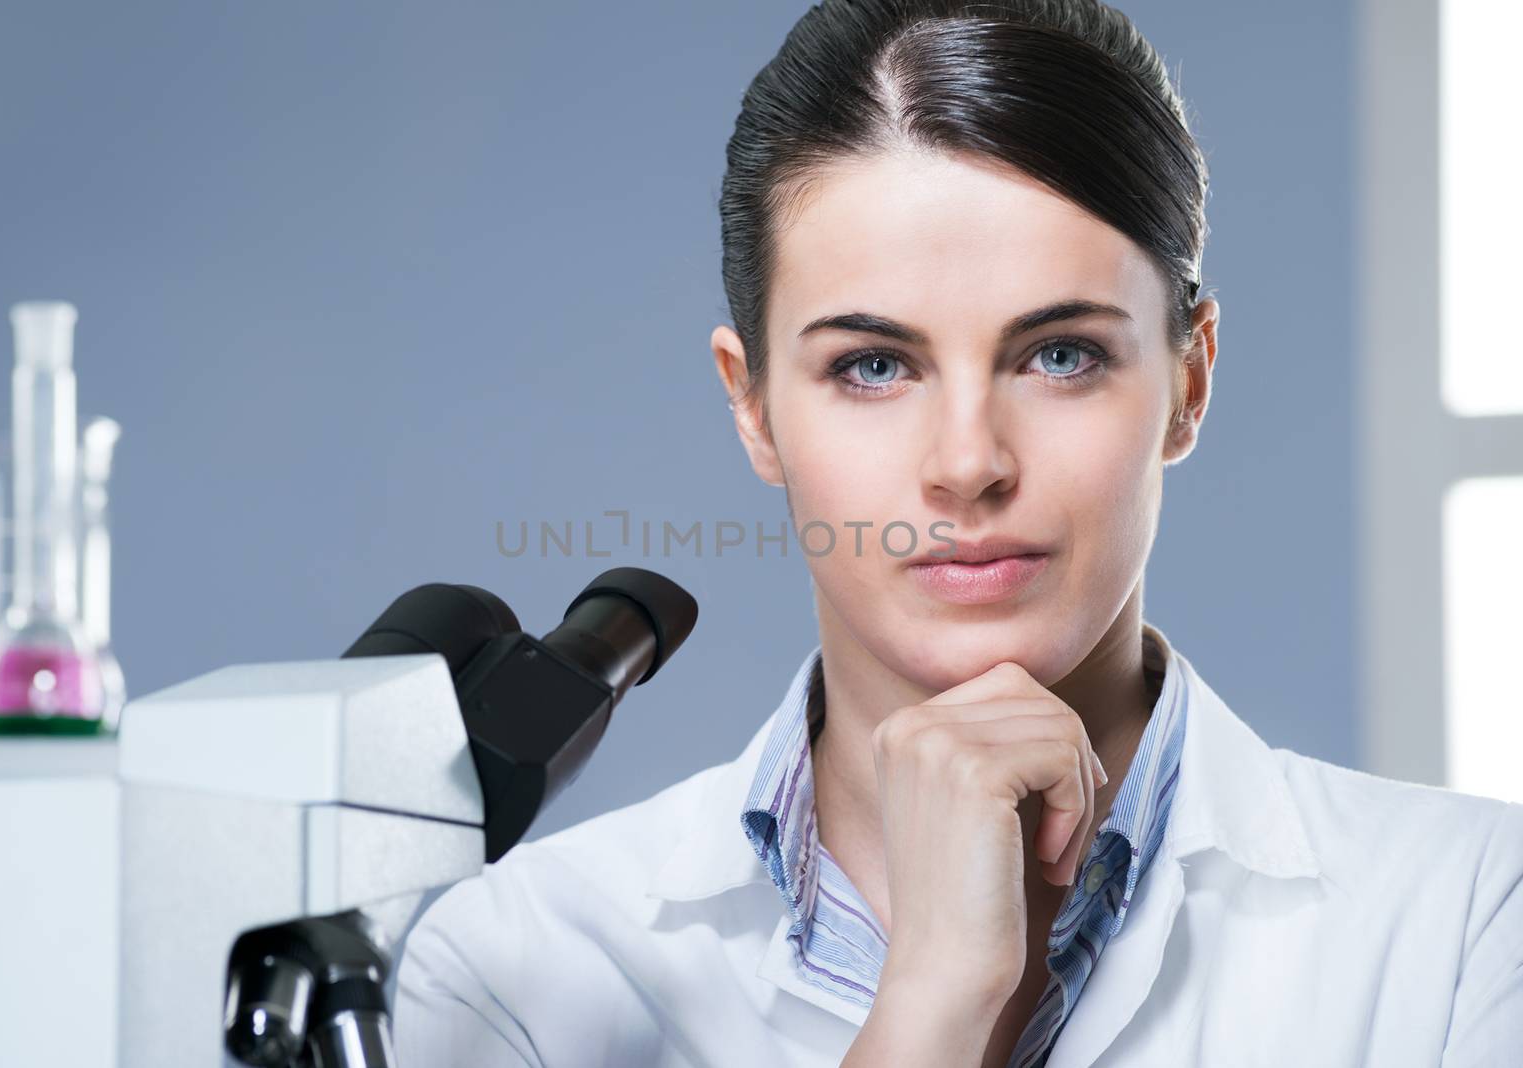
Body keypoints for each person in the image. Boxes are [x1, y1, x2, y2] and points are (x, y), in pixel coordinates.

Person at [394, 2, 1523, 1065]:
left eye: (1060, 355)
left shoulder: (1469, 914)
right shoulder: (516, 974)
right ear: (754, 407)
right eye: (872, 367)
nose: (968, 462)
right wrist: (935, 1005)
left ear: (1188, 379)